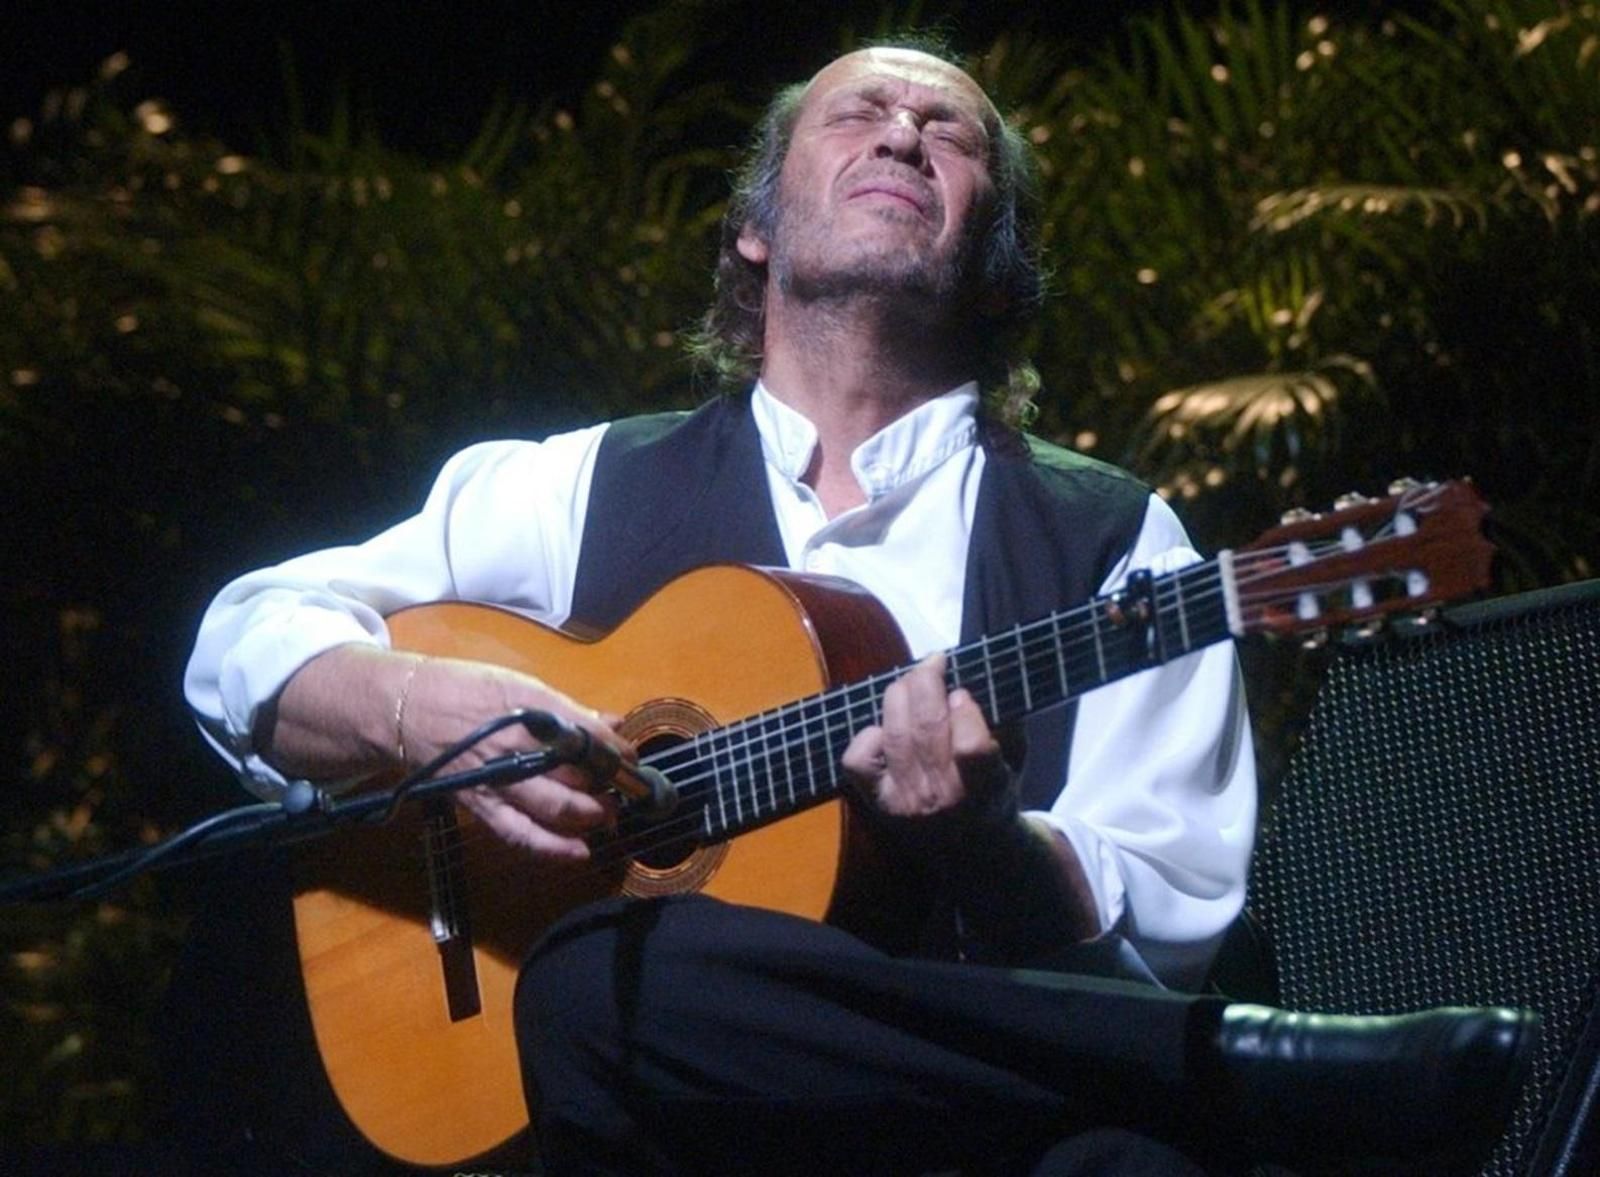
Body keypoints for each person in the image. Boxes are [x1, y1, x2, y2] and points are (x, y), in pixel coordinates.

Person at [185, 43, 1535, 1176]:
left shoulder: (1115, 540)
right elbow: (248, 636)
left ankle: (1197, 1085)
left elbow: (1170, 919)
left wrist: (992, 846)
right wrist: (425, 714)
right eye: (860, 114)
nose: (903, 133)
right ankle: (1244, 1076)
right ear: (756, 229)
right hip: (671, 1119)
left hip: (974, 1143)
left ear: (996, 265)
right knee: (606, 974)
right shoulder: (578, 486)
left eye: (951, 133)